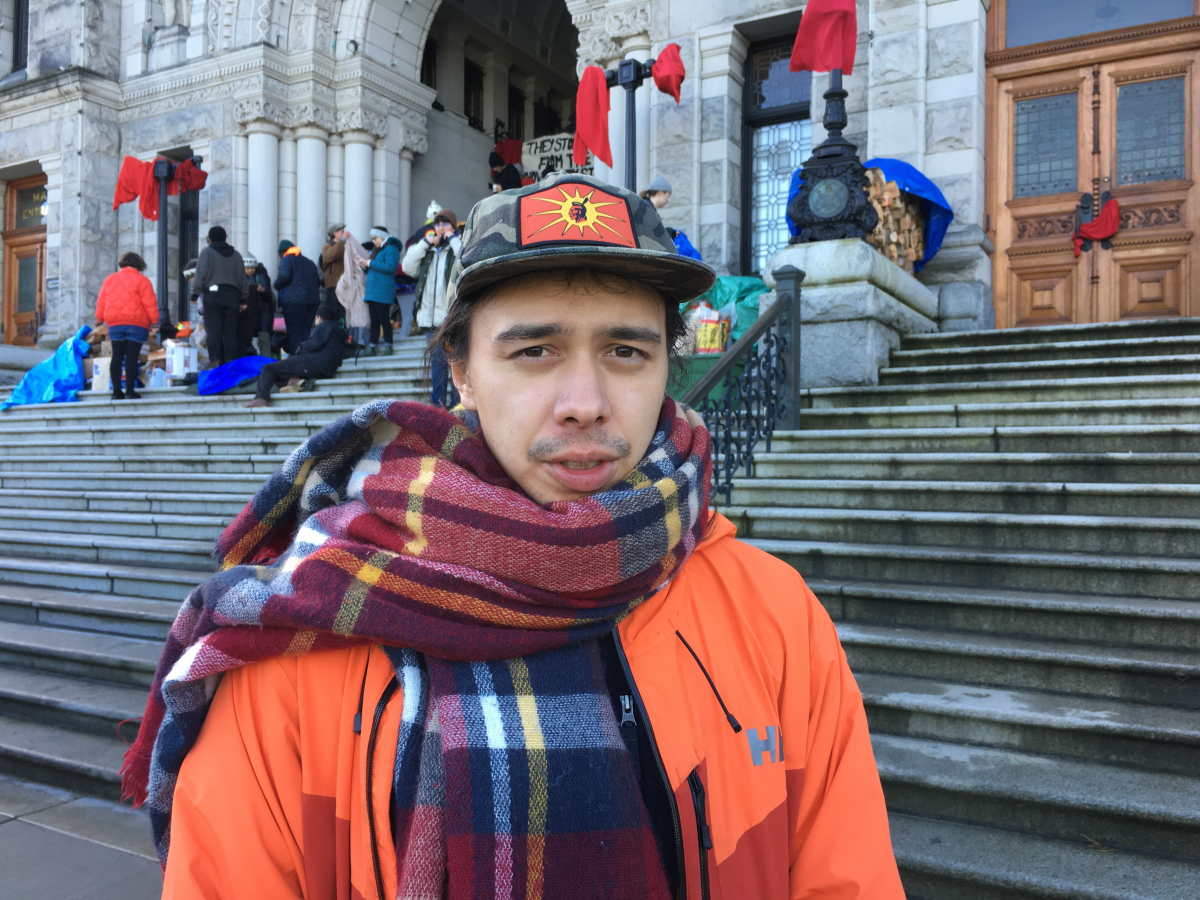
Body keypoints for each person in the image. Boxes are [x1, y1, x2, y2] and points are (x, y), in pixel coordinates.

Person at [128, 172, 905, 900]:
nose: (585, 402)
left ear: (669, 363)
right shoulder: (301, 639)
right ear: (460, 369)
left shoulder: (775, 620)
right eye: (535, 351)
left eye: (626, 351)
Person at [401, 208, 460, 404]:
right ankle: (439, 407)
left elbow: (465, 260)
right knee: (436, 364)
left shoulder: (456, 246)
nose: (440, 227)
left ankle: (458, 406)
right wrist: (426, 242)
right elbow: (408, 267)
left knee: (457, 362)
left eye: (445, 223)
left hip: (451, 318)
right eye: (438, 224)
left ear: (452, 226)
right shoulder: (428, 251)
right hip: (431, 320)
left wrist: (452, 239)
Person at [242, 302, 349, 408]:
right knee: (279, 370)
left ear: (319, 318)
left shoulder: (323, 327)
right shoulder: (338, 331)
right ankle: (293, 381)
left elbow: (312, 345)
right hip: (325, 368)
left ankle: (260, 399)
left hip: (314, 363)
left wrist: (299, 348)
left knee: (268, 368)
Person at [94, 252, 157, 400]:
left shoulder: (110, 279)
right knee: (132, 357)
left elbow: (102, 301)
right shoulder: (143, 280)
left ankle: (116, 392)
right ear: (139, 265)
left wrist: (99, 319)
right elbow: (150, 303)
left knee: (116, 357)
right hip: (137, 324)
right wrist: (155, 322)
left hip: (115, 324)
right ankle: (130, 390)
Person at [193, 225, 248, 367]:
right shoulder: (236, 255)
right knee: (230, 332)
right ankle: (231, 362)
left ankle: (215, 362)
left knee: (214, 332)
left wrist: (195, 294)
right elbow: (243, 279)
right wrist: (243, 300)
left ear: (210, 240)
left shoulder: (207, 253)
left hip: (212, 297)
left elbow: (200, 276)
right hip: (232, 297)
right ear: (225, 239)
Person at [357, 226, 401, 356]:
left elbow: (391, 267)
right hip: (373, 291)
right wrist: (364, 266)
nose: (373, 241)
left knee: (383, 319)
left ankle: (388, 346)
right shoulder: (377, 250)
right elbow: (374, 269)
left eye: (374, 238)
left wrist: (370, 263)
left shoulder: (391, 248)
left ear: (382, 236)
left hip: (382, 290)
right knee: (374, 320)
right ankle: (372, 347)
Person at [273, 239, 322, 354]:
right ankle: (306, 359)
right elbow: (317, 281)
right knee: (306, 333)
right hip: (312, 302)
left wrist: (276, 284)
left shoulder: (286, 259)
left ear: (283, 252)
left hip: (293, 303)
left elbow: (284, 276)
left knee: (294, 333)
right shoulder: (309, 262)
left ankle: (297, 360)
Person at [238, 254, 272, 357]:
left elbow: (268, 296)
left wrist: (263, 291)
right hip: (248, 314)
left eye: (252, 268)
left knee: (264, 341)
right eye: (247, 268)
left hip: (262, 313)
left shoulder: (261, 276)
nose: (250, 270)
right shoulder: (239, 277)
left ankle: (266, 366)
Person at [320, 224, 347, 311]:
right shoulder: (327, 246)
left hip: (345, 283)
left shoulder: (344, 246)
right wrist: (342, 241)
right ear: (334, 234)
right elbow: (332, 255)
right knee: (334, 310)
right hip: (333, 284)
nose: (344, 234)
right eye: (341, 232)